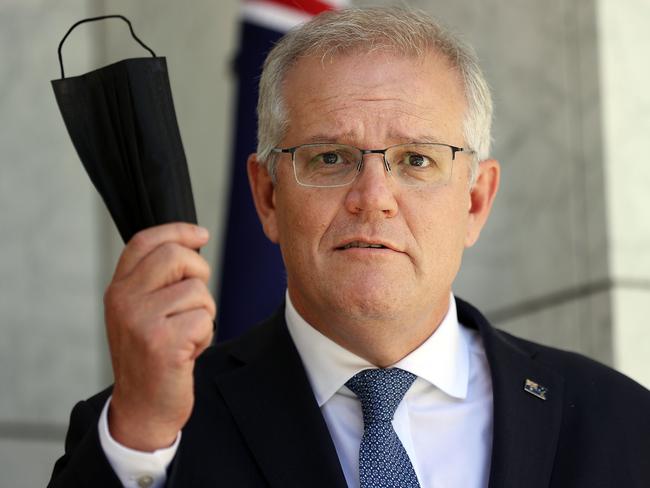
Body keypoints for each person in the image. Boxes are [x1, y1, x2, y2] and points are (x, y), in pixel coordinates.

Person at [49, 7, 650, 488]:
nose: (373, 197)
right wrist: (145, 432)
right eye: (330, 158)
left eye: (416, 160)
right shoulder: (143, 428)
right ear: (267, 197)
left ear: (475, 201)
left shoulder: (619, 420)